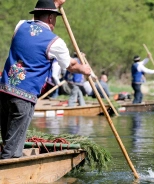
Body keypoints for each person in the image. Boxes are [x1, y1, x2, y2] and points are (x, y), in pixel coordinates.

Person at [0, 0, 91, 159]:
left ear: (36, 14)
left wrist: (54, 3)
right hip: (24, 97)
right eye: (54, 17)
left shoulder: (20, 26)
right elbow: (69, 65)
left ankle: (15, 160)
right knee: (11, 148)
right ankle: (10, 170)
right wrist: (84, 69)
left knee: (9, 139)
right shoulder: (55, 41)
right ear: (50, 18)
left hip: (3, 91)